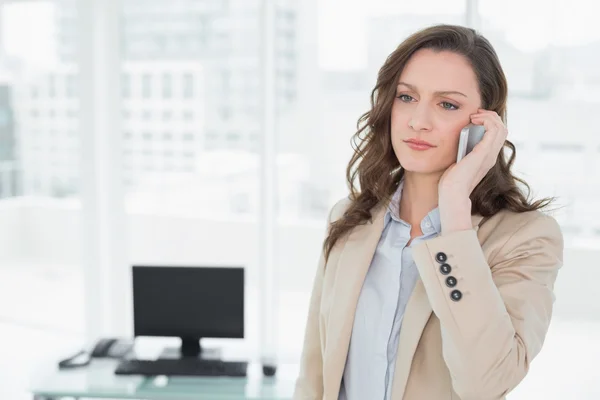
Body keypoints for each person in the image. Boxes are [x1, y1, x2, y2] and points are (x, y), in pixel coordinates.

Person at [293, 24, 563, 400]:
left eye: (447, 104)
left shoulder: (526, 238)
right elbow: (314, 375)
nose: (419, 120)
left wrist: (454, 213)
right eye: (407, 97)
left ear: (485, 125)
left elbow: (485, 383)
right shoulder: (350, 220)